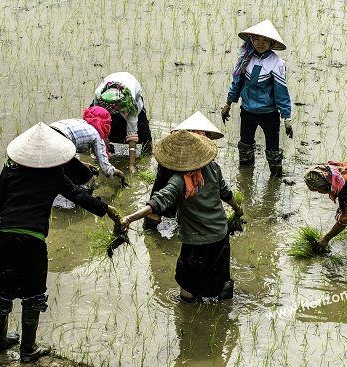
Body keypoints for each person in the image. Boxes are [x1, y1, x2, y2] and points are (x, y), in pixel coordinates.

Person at [0, 122, 118, 362]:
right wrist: (106, 209)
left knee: (2, 290)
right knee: (33, 295)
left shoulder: (10, 168)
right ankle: (28, 349)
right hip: (33, 239)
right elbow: (79, 195)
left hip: (6, 235)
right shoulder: (54, 174)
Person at [119, 129, 244, 302]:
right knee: (220, 275)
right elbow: (226, 193)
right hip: (220, 235)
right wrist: (238, 210)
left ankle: (187, 315)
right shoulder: (213, 167)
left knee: (187, 282)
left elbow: (158, 201)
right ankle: (221, 312)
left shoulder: (178, 180)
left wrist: (129, 218)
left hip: (195, 241)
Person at [220, 19, 293, 177]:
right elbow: (237, 84)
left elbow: (281, 92)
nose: (260, 43)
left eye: (265, 40)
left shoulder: (277, 63)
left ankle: (276, 182)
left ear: (272, 43)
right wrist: (228, 104)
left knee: (273, 153)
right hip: (247, 112)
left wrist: (286, 118)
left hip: (269, 114)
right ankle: (245, 181)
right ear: (251, 40)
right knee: (245, 148)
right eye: (257, 39)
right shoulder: (245, 58)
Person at [143, 111, 224, 229]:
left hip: (169, 160)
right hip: (184, 164)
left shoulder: (175, 136)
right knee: (183, 193)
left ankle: (152, 220)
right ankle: (176, 220)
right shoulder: (201, 135)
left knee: (162, 189)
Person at [50, 106, 127, 193]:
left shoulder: (79, 122)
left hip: (47, 132)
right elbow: (106, 169)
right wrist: (119, 173)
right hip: (61, 142)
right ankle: (84, 203)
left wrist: (82, 163)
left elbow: (68, 153)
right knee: (88, 177)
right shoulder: (96, 135)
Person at [93, 72, 153, 173]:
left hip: (130, 98)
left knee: (143, 131)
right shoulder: (99, 96)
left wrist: (131, 165)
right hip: (108, 100)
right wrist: (104, 138)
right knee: (99, 129)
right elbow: (98, 120)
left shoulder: (131, 102)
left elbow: (132, 132)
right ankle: (100, 150)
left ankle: (148, 152)